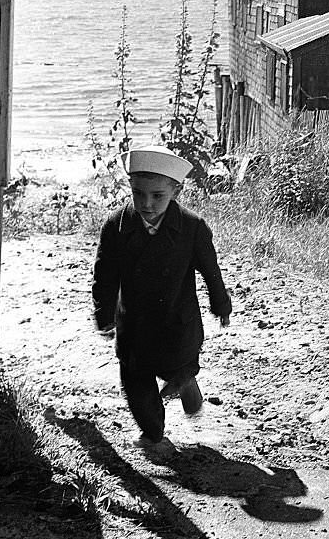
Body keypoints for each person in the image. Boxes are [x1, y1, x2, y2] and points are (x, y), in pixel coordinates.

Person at [92, 144, 232, 452]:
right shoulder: (116, 227)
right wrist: (104, 316)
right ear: (129, 187)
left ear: (176, 190)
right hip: (134, 323)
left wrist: (221, 304)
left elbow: (211, 270)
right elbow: (104, 275)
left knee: (178, 366)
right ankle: (153, 432)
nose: (147, 203)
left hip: (176, 321)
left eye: (158, 196)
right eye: (139, 193)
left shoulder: (192, 227)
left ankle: (185, 382)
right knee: (136, 384)